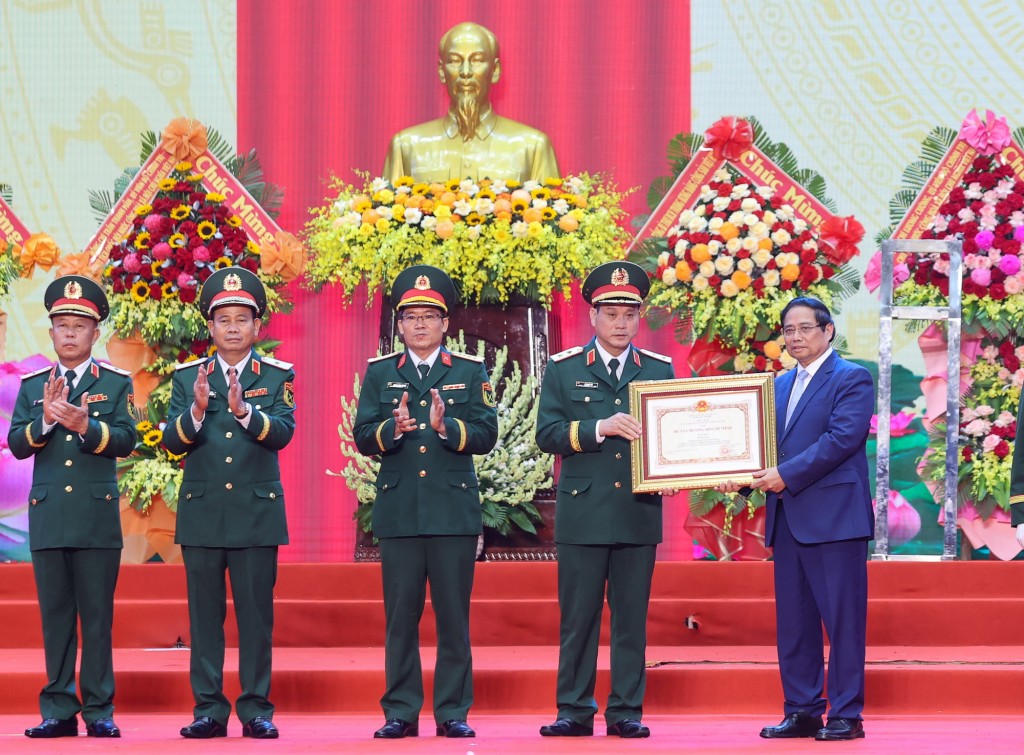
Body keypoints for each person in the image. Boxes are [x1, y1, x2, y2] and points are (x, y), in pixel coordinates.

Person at [716, 296, 874, 742]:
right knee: (795, 622)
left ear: (828, 331)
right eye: (789, 330)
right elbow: (763, 448)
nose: (796, 337)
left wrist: (784, 475)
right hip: (788, 518)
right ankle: (802, 710)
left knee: (842, 621)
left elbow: (841, 439)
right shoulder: (778, 386)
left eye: (806, 328)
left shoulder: (852, 377)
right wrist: (738, 478)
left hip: (836, 520)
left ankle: (847, 715)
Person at [353, 264, 498, 739]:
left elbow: (487, 434)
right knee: (400, 619)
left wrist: (446, 427)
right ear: (399, 325)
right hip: (400, 512)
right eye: (411, 317)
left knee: (453, 617)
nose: (419, 325)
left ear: (445, 323)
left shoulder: (469, 370)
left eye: (429, 316)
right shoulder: (380, 372)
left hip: (452, 512)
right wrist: (390, 430)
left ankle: (453, 712)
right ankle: (400, 712)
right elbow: (362, 436)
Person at [535, 261, 674, 739]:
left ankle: (626, 711)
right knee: (579, 619)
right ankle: (573, 710)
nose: (620, 323)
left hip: (638, 509)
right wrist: (599, 427)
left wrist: (674, 471)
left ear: (639, 318)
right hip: (584, 511)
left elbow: (672, 435)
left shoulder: (658, 369)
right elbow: (547, 434)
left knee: (631, 620)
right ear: (592, 316)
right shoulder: (565, 367)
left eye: (629, 314)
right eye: (611, 314)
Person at [163, 267, 295, 740]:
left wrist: (244, 412)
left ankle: (256, 709)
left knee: (256, 618)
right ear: (211, 326)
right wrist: (197, 412)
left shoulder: (276, 375)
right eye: (224, 320)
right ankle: (208, 710)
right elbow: (170, 441)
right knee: (205, 618)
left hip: (256, 514)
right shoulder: (188, 377)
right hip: (202, 513)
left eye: (242, 319)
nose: (233, 328)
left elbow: (283, 432)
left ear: (257, 326)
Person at [9, 275, 135, 739]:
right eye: (61, 325)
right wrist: (44, 419)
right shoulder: (33, 386)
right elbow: (17, 444)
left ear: (94, 333)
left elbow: (127, 440)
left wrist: (87, 427)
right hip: (49, 517)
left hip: (95, 518)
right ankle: (59, 710)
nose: (69, 333)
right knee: (56, 618)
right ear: (50, 333)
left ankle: (99, 710)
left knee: (97, 619)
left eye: (78, 326)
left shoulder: (116, 383)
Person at [383, 21, 559, 184]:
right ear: (442, 71)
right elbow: (386, 205)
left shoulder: (532, 147)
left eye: (477, 60)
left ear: (495, 70)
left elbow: (551, 205)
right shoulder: (406, 146)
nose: (465, 72)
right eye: (454, 61)